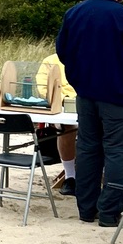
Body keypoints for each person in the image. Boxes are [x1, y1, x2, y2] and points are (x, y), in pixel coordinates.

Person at [56, 0, 123, 227]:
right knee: (118, 150)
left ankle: (87, 209)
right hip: (118, 94)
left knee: (87, 149)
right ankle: (110, 212)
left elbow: (62, 52)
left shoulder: (73, 13)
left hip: (85, 93)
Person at [35, 53, 77, 196]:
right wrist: (64, 100)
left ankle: (99, 173)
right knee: (66, 128)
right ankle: (70, 176)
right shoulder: (50, 61)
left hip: (89, 103)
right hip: (62, 106)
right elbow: (43, 88)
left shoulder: (91, 54)